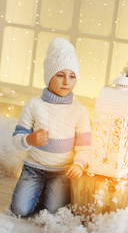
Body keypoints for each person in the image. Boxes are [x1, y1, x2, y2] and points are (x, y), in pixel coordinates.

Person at [11, 37, 91, 216]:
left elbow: (84, 146)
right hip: (34, 167)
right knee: (19, 210)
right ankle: (36, 191)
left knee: (55, 210)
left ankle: (46, 193)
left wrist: (79, 165)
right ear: (49, 77)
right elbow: (17, 140)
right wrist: (29, 139)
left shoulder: (79, 110)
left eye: (72, 76)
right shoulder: (34, 105)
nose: (66, 82)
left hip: (62, 171)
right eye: (60, 75)